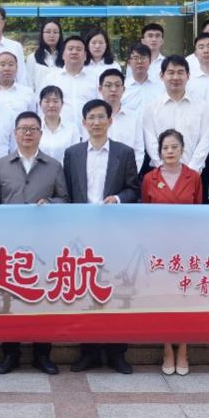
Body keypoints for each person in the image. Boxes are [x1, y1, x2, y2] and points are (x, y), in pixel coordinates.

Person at [0, 111, 70, 374]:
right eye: (23, 129)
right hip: (9, 245)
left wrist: (50, 203)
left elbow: (65, 200)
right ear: (15, 133)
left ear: (40, 134)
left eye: (33, 129)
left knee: (42, 299)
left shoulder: (53, 166)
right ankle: (10, 354)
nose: (27, 133)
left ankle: (42, 354)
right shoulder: (1, 166)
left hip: (42, 244)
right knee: (9, 300)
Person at [65, 99, 141, 375]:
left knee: (116, 289)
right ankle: (89, 352)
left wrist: (118, 199)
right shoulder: (72, 154)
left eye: (101, 117)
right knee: (85, 291)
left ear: (110, 121)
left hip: (113, 231)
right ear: (83, 123)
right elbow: (68, 191)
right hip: (82, 233)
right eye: (91, 117)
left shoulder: (125, 152)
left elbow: (134, 190)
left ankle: (117, 353)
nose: (96, 122)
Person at [141, 128, 202, 376]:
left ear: (182, 149)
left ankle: (184, 349)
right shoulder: (150, 178)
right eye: (165, 147)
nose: (170, 151)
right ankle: (167, 348)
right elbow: (145, 213)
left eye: (174, 147)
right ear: (159, 151)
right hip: (159, 248)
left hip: (186, 247)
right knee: (163, 298)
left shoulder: (193, 177)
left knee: (185, 297)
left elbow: (199, 211)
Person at [142, 56, 209, 174]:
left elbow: (204, 141)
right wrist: (165, 169)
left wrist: (190, 172)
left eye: (180, 72)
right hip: (161, 174)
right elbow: (151, 144)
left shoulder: (202, 107)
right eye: (171, 73)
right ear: (162, 76)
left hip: (194, 174)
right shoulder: (151, 109)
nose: (175, 77)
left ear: (188, 76)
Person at [98, 68, 143, 170]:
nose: (113, 89)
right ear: (100, 89)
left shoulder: (134, 118)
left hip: (127, 173)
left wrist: (131, 174)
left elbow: (139, 150)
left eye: (117, 85)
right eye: (108, 85)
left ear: (124, 89)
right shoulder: (92, 118)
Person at [41, 36, 95, 119]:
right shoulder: (50, 79)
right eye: (70, 49)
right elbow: (42, 108)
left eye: (79, 49)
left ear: (85, 56)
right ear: (63, 54)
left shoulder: (95, 79)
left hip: (89, 127)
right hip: (59, 127)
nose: (74, 52)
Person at [36, 85, 83, 164]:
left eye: (55, 101)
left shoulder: (72, 129)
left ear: (62, 103)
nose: (51, 105)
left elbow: (76, 156)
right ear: (40, 104)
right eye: (47, 101)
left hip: (65, 170)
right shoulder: (34, 127)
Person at [122, 43, 163, 122]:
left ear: (150, 61)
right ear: (129, 62)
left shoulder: (160, 86)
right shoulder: (122, 87)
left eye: (143, 58)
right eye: (136, 58)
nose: (140, 61)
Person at [28, 19, 65, 89]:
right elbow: (29, 84)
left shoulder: (66, 57)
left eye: (55, 32)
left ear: (60, 35)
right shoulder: (32, 58)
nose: (52, 35)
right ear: (42, 34)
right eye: (48, 32)